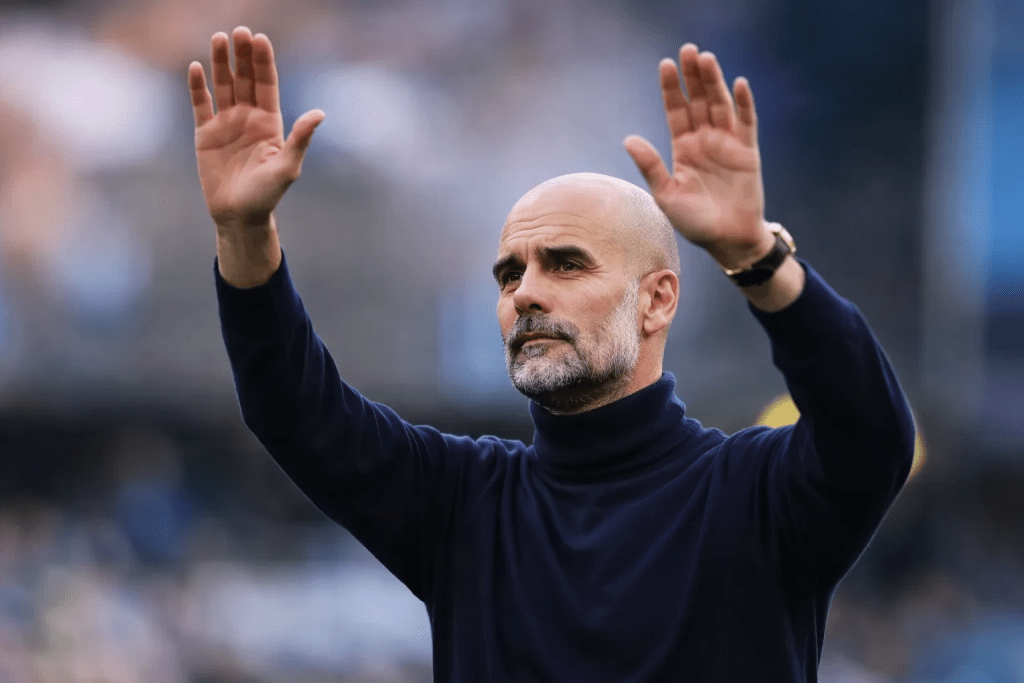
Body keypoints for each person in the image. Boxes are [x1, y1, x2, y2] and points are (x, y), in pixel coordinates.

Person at [189, 26, 915, 682]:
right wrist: (244, 232)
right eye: (510, 274)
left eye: (566, 264)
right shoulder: (462, 503)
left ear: (657, 300)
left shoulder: (756, 494)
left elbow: (870, 431)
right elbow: (293, 409)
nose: (526, 293)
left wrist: (756, 256)